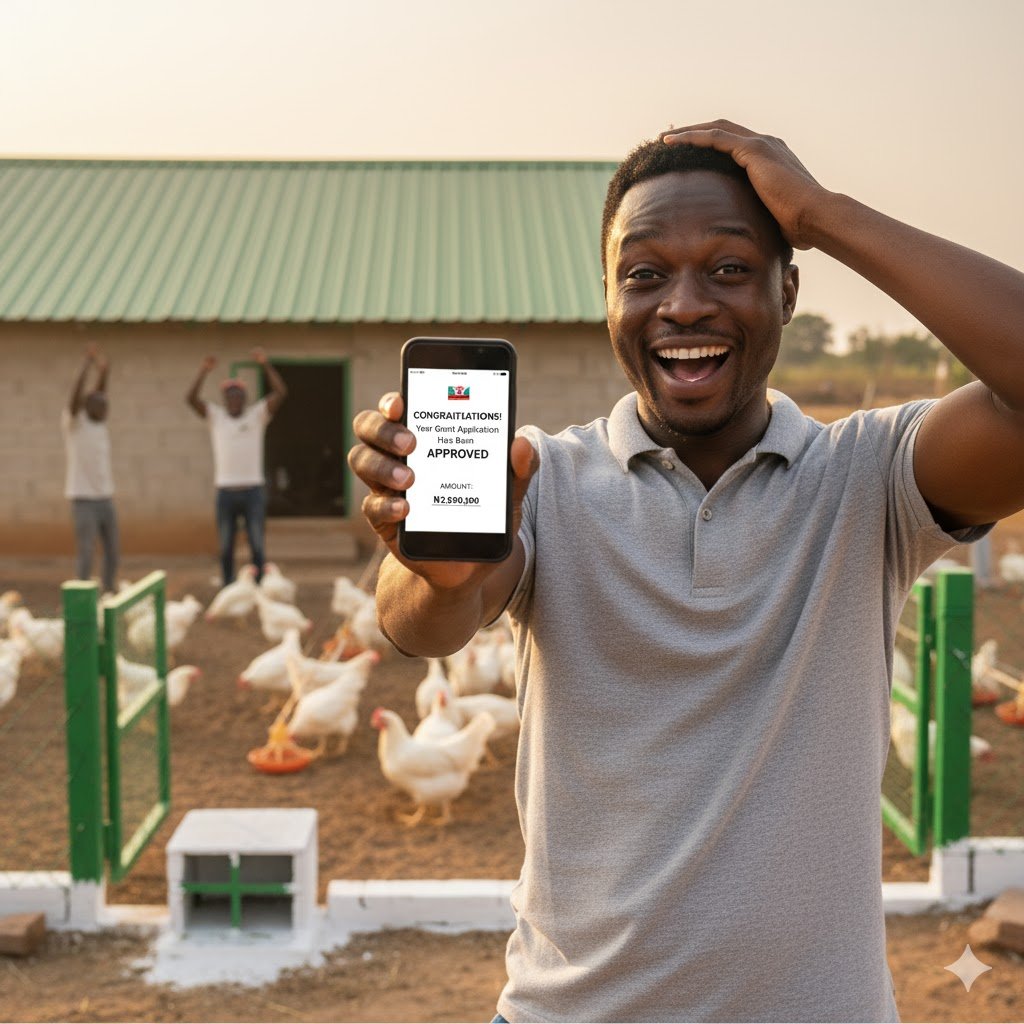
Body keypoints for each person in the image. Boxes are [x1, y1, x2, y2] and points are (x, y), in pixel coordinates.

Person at [347, 120, 1024, 1022]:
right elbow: (417, 624)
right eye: (645, 274)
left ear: (790, 289)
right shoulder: (543, 480)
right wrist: (436, 572)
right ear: (608, 302)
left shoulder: (869, 481)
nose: (685, 303)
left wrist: (823, 213)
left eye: (731, 268)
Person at [186, 348, 287, 586]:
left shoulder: (256, 416)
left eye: (237, 396)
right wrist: (203, 371)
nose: (233, 400)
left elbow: (281, 393)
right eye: (229, 396)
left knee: (257, 543)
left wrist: (265, 364)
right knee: (225, 544)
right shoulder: (216, 417)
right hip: (226, 492)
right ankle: (228, 585)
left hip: (253, 491)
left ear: (244, 398)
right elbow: (190, 399)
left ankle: (259, 586)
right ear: (224, 400)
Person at [63, 344, 119, 594]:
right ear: (88, 407)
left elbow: (100, 393)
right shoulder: (76, 423)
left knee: (113, 550)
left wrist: (104, 372)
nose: (106, 408)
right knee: (86, 551)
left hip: (105, 498)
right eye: (101, 405)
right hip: (83, 499)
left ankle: (108, 590)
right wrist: (86, 365)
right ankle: (83, 595)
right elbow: (76, 397)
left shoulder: (99, 424)